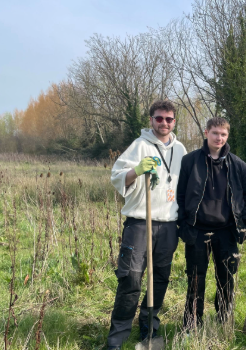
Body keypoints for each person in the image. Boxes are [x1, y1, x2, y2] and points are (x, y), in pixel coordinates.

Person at [107, 100, 187, 349]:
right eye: (159, 118)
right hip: (141, 223)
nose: (164, 123)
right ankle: (117, 338)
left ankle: (149, 328)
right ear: (151, 119)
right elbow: (117, 177)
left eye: (169, 119)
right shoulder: (139, 146)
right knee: (131, 278)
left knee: (160, 278)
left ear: (174, 122)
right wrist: (138, 170)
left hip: (168, 225)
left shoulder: (181, 149)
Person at [176, 117, 246, 330]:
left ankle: (224, 322)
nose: (219, 138)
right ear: (206, 133)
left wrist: (242, 225)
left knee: (226, 281)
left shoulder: (239, 166)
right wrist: (184, 226)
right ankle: (192, 325)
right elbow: (180, 196)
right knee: (195, 281)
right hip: (196, 231)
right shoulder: (190, 161)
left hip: (226, 233)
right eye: (215, 133)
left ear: (227, 136)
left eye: (223, 134)